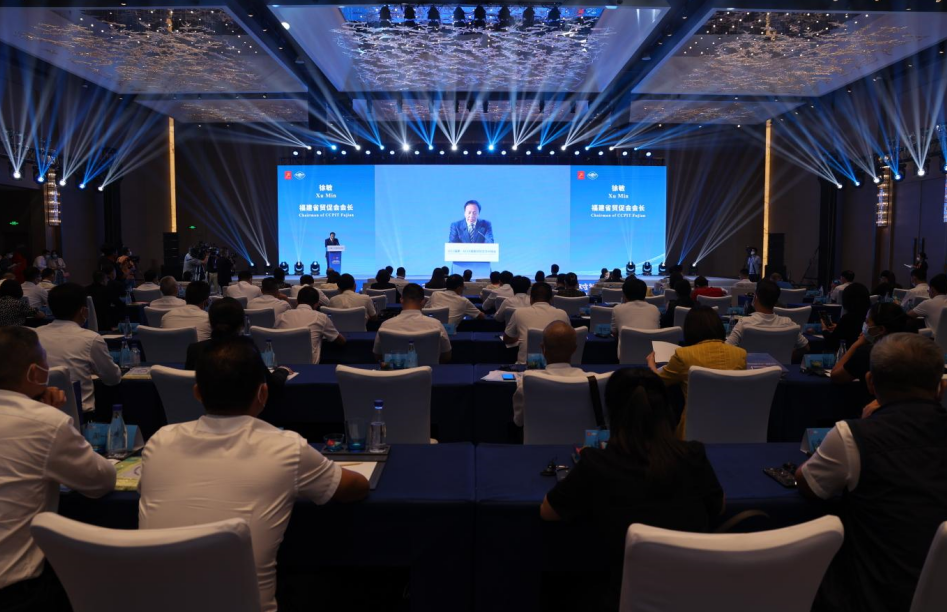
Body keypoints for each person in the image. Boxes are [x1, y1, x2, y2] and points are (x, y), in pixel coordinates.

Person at [139, 338, 369, 612]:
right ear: (263, 393)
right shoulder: (286, 447)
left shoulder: (159, 441)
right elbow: (355, 488)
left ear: (197, 393)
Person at [540, 368, 724, 612]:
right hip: (694, 595)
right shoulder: (693, 455)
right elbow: (718, 506)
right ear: (667, 411)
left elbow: (548, 512)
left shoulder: (597, 463)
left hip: (617, 596)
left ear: (613, 415)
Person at [796, 333, 947, 612]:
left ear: (870, 383)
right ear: (940, 387)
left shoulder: (852, 436)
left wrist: (867, 425)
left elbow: (809, 484)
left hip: (870, 596)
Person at [0, 327, 116, 611]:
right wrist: (51, 414)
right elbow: (101, 481)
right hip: (17, 589)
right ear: (34, 373)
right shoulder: (44, 422)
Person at [648, 306, 747, 438]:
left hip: (691, 433)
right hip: (733, 430)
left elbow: (658, 382)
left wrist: (651, 366)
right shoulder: (740, 355)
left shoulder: (683, 355)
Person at [36, 283, 122, 413]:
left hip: (42, 413)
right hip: (82, 416)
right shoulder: (91, 338)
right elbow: (112, 379)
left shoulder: (33, 335)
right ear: (84, 311)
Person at [183, 299, 293, 400]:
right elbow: (272, 386)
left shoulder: (194, 350)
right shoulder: (247, 349)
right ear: (242, 324)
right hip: (242, 412)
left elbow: (187, 387)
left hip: (203, 412)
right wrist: (282, 371)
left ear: (210, 323)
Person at [511, 321, 586, 427]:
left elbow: (519, 421)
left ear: (543, 349)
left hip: (537, 438)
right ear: (575, 349)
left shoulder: (527, 383)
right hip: (581, 438)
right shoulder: (593, 382)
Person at [831, 302, 909, 387]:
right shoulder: (911, 349)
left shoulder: (869, 353)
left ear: (881, 329)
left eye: (867, 322)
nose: (865, 325)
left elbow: (836, 376)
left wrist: (858, 343)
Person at [726, 280, 808, 359]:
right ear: (776, 301)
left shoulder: (744, 323)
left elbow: (726, 349)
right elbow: (806, 347)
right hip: (781, 368)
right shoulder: (788, 323)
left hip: (749, 368)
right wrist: (789, 355)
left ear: (755, 297)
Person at [373, 283, 451, 362]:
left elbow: (377, 355)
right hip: (429, 369)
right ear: (423, 302)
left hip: (395, 369)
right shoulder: (436, 325)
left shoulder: (386, 325)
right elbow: (447, 355)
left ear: (401, 300)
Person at [504, 283, 570, 364]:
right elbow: (570, 339)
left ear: (531, 299)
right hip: (556, 365)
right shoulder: (562, 314)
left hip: (525, 366)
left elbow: (507, 339)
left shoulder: (519, 313)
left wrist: (520, 338)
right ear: (551, 299)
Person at [276, 287, 345, 363]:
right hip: (309, 366)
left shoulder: (281, 316)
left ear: (297, 302)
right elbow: (341, 341)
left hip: (282, 365)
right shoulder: (321, 317)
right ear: (316, 305)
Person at [822, 282, 871, 353]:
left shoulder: (848, 319)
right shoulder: (870, 316)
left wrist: (824, 329)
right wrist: (838, 326)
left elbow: (831, 342)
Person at [85, 265, 126, 330]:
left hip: (88, 321)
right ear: (103, 280)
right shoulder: (107, 290)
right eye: (107, 278)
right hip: (105, 322)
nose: (107, 280)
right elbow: (119, 303)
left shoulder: (86, 289)